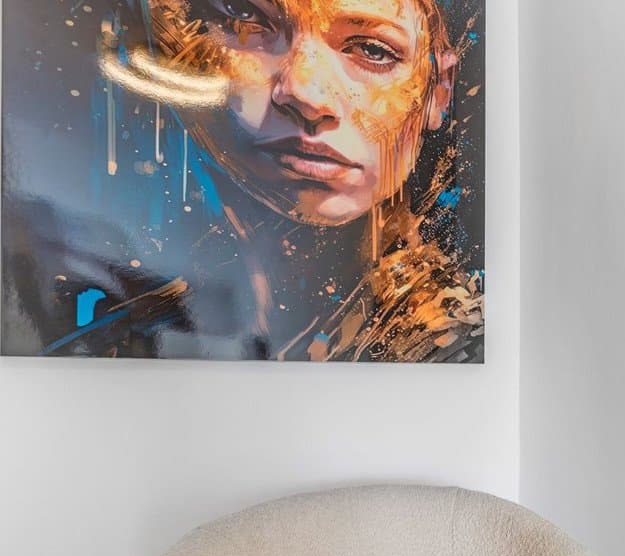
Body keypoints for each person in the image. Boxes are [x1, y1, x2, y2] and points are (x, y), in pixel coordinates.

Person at [2, 0, 483, 362]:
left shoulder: (453, 340)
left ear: (438, 91)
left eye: (372, 50)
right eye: (246, 19)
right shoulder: (117, 334)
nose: (305, 92)